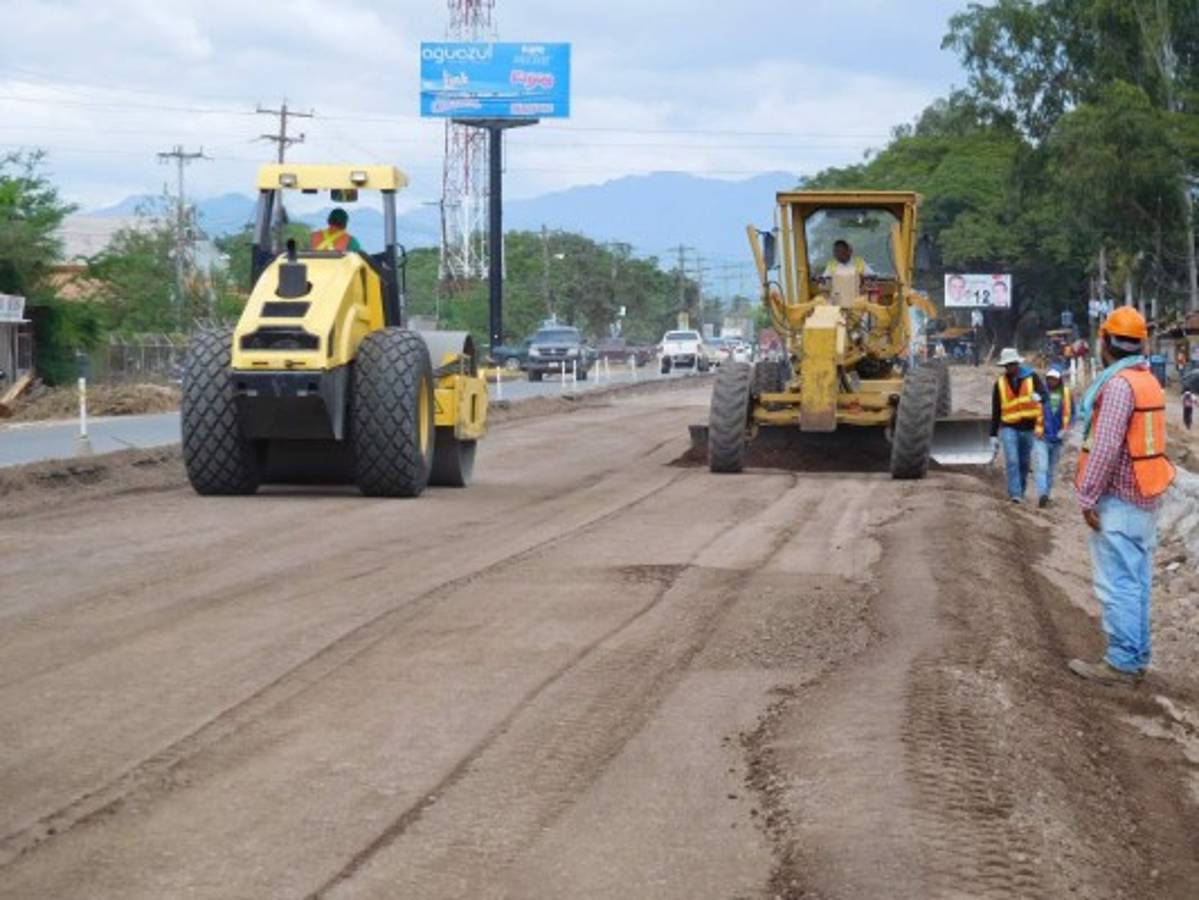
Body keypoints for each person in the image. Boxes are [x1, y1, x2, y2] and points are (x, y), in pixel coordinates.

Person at [1070, 307, 1176, 686]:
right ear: (1141, 343)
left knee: (1118, 584)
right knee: (1137, 581)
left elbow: (1105, 447)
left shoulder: (1117, 386)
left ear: (1104, 341)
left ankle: (1122, 663)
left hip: (1120, 499)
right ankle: (1136, 655)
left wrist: (1087, 496)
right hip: (1145, 496)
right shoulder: (1147, 380)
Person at [990, 347, 1045, 503]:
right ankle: (1015, 494)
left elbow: (1045, 396)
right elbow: (996, 410)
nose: (1010, 368)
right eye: (1007, 365)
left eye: (1012, 364)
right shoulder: (999, 384)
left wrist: (1039, 397)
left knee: (1024, 463)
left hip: (1028, 428)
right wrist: (993, 434)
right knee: (1012, 460)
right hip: (1009, 427)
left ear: (1017, 363)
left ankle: (1020, 489)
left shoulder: (1032, 377)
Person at [1034, 367, 1073, 508]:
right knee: (1042, 467)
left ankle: (1047, 495)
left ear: (1059, 379)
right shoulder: (1039, 393)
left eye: (1054, 378)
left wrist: (1067, 429)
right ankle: (1042, 494)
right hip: (1041, 437)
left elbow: (1073, 414)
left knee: (1051, 470)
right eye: (1049, 378)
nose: (1051, 381)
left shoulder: (1067, 394)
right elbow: (1031, 409)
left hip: (1058, 439)